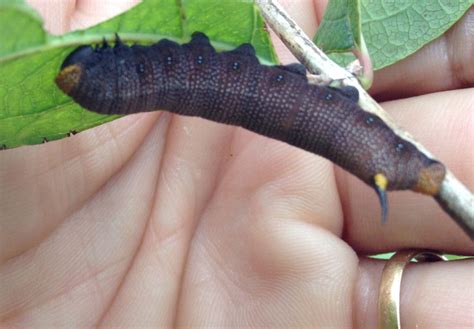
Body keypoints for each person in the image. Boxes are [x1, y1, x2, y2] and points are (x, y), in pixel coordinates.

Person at [1, 0, 472, 327]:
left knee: (247, 93)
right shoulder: (160, 71)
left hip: (365, 145)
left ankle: (408, 169)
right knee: (239, 90)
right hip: (365, 147)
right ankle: (410, 170)